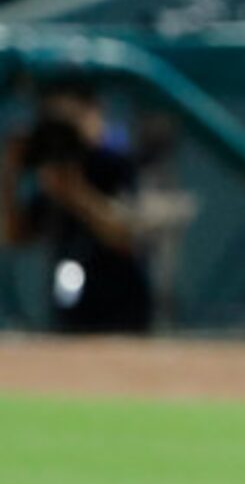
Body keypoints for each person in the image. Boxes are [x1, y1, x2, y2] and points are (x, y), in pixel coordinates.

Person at [4, 81, 156, 333]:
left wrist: (77, 194)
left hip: (124, 311)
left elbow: (128, 235)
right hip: (71, 314)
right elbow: (15, 235)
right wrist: (9, 174)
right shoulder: (52, 174)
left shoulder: (115, 163)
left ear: (94, 113)